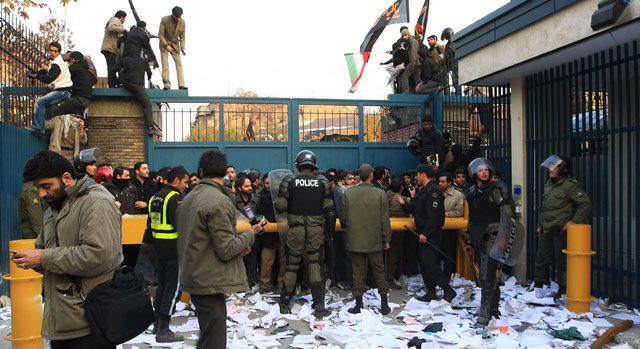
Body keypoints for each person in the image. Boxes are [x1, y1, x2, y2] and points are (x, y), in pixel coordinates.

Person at [14, 150, 122, 348]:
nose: (41, 194)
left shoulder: (96, 202)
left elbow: (99, 255)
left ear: (66, 178)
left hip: (90, 322)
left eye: (46, 186)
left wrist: (43, 258)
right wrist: (32, 258)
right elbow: (45, 251)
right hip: (61, 322)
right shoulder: (54, 206)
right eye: (38, 188)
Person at [177, 150, 264, 349]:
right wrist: (251, 232)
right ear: (225, 172)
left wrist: (238, 248)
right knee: (214, 339)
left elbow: (202, 240)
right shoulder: (218, 201)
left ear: (200, 171)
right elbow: (226, 248)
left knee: (208, 335)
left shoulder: (189, 198)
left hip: (196, 274)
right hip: (208, 280)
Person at [276, 150, 334, 317]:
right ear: (313, 163)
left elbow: (280, 206)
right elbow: (329, 211)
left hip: (296, 229)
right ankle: (319, 306)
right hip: (316, 229)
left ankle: (285, 304)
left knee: (292, 266)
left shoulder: (289, 180)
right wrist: (329, 234)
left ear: (298, 163)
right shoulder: (322, 181)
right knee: (315, 263)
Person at [465, 158, 513, 326]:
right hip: (479, 237)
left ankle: (484, 316)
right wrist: (469, 239)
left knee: (486, 277)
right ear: (474, 173)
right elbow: (472, 218)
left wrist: (503, 239)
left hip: (494, 236)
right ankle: (493, 309)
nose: (484, 172)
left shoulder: (498, 190)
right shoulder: (471, 193)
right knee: (488, 276)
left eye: (486, 169)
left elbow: (506, 214)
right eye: (480, 170)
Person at [534, 155, 592, 294]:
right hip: (546, 228)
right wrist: (540, 225)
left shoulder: (570, 185)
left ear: (562, 170)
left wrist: (573, 222)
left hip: (561, 230)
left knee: (562, 262)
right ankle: (538, 286)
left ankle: (564, 289)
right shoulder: (548, 184)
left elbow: (585, 204)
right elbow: (545, 207)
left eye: (554, 168)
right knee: (541, 259)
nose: (550, 170)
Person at [340, 164, 392, 315]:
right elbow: (384, 219)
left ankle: (358, 304)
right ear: (371, 175)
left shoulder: (348, 194)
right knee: (379, 272)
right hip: (375, 240)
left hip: (355, 240)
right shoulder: (380, 194)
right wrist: (386, 238)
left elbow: (343, 218)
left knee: (357, 272)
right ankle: (384, 304)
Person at [147, 166, 189, 342]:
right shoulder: (174, 198)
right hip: (174, 250)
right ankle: (164, 329)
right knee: (173, 289)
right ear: (177, 180)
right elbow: (181, 225)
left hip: (158, 249)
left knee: (163, 286)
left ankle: (157, 324)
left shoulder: (154, 198)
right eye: (185, 182)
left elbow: (149, 226)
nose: (186, 186)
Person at [409, 164, 456, 302]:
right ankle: (431, 292)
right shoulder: (423, 190)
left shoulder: (434, 191)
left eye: (417, 175)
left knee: (430, 263)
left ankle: (448, 290)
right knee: (424, 264)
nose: (416, 178)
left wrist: (426, 233)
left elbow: (434, 216)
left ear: (423, 174)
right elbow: (416, 209)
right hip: (422, 232)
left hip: (431, 233)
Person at [116, 22, 161, 137]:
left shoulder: (128, 36)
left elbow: (114, 69)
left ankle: (119, 84)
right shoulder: (143, 60)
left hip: (126, 82)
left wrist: (118, 81)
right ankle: (151, 127)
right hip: (137, 85)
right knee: (147, 104)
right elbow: (150, 74)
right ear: (144, 27)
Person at [26, 42, 72, 134]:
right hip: (64, 92)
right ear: (48, 51)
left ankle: (38, 127)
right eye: (51, 50)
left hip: (62, 91)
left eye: (55, 51)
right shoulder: (55, 62)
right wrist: (36, 73)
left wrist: (36, 76)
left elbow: (49, 78)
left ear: (59, 53)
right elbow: (47, 71)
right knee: (44, 105)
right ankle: (42, 128)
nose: (53, 53)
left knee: (39, 102)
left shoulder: (57, 64)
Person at [256, 173, 284, 292]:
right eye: (267, 183)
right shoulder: (261, 197)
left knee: (284, 260)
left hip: (282, 232)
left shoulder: (283, 196)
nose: (269, 185)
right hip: (268, 233)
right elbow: (254, 213)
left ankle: (281, 284)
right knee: (266, 260)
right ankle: (264, 285)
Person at [48, 51, 97, 118]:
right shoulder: (86, 71)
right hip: (86, 101)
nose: (69, 62)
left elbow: (61, 76)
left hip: (77, 99)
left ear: (73, 59)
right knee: (76, 119)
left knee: (55, 112)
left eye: (70, 60)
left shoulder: (74, 67)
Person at [438, 172, 464, 281]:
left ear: (449, 183)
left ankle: (446, 279)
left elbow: (459, 212)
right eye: (439, 181)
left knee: (448, 256)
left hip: (449, 230)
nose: (440, 184)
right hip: (436, 229)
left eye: (443, 182)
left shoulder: (457, 195)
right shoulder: (436, 193)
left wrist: (443, 214)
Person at [235, 176, 260, 287]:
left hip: (254, 236)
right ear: (240, 188)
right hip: (238, 237)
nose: (250, 188)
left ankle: (253, 283)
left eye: (250, 185)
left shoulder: (257, 199)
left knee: (253, 260)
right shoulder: (233, 201)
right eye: (246, 186)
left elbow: (261, 216)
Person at [386, 177, 411, 289]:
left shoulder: (385, 196)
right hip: (398, 231)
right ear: (401, 188)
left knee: (389, 255)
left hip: (386, 229)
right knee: (394, 255)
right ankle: (390, 279)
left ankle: (391, 277)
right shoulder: (401, 200)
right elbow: (410, 210)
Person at [159, 6, 186, 90]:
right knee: (165, 64)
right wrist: (166, 45)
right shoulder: (164, 19)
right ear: (172, 15)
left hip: (175, 45)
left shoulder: (183, 22)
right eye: (176, 17)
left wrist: (182, 47)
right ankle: (166, 84)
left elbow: (182, 36)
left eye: (180, 17)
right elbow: (160, 34)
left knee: (179, 64)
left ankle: (181, 85)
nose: (178, 19)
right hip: (164, 43)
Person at [101, 10, 127, 88]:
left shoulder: (116, 22)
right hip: (110, 48)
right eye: (124, 18)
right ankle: (112, 85)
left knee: (113, 67)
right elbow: (111, 28)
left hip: (111, 49)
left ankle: (116, 83)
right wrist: (124, 31)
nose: (124, 21)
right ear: (121, 17)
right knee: (112, 67)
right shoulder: (115, 20)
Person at [398, 29, 421, 93]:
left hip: (414, 63)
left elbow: (414, 53)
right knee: (417, 80)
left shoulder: (413, 41)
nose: (404, 37)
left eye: (405, 35)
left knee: (404, 76)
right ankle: (419, 92)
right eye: (403, 36)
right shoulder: (409, 42)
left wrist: (412, 64)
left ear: (408, 34)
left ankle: (405, 93)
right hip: (417, 63)